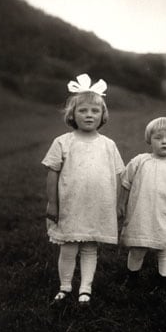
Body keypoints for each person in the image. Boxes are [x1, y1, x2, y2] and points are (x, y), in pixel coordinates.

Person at [42, 73, 124, 305]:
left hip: (98, 205)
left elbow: (118, 174)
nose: (89, 115)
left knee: (90, 247)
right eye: (83, 111)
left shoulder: (108, 145)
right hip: (71, 205)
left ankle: (85, 288)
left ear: (102, 116)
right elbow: (52, 172)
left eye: (94, 111)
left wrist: (118, 204)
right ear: (72, 115)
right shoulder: (63, 142)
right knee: (68, 247)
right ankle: (65, 287)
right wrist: (53, 203)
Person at [118, 117, 166, 294]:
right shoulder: (140, 161)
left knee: (165, 248)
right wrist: (121, 204)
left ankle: (164, 284)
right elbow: (125, 183)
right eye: (158, 137)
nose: (164, 141)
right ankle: (132, 278)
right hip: (140, 214)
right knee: (137, 247)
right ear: (149, 140)